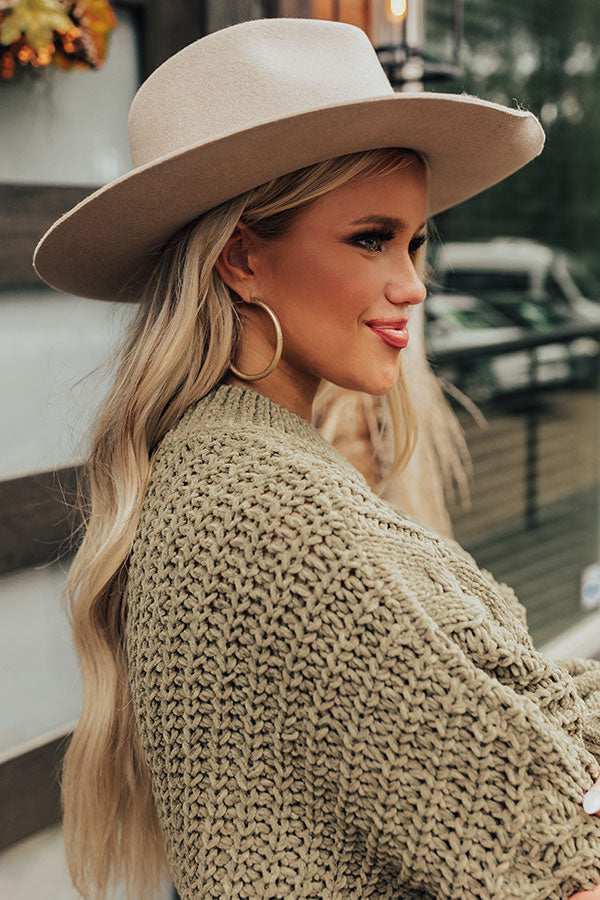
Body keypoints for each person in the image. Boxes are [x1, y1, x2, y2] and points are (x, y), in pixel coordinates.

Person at [32, 15, 600, 900]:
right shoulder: (272, 511)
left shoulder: (219, 463)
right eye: (371, 238)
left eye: (416, 242)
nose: (413, 283)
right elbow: (556, 854)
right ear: (241, 256)